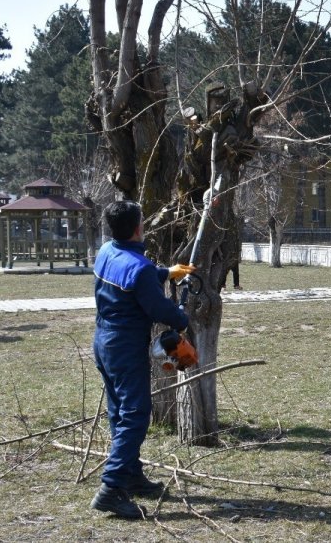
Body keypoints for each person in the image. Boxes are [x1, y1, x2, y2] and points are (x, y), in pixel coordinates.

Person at [90, 200, 195, 519]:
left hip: (103, 341)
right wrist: (182, 318)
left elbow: (136, 279)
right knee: (135, 414)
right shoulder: (140, 267)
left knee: (119, 410)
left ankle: (130, 474)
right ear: (138, 227)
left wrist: (166, 273)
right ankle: (111, 488)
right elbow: (159, 309)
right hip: (125, 345)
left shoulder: (106, 251)